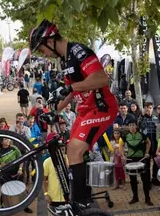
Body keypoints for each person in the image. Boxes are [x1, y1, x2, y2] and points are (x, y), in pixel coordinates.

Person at [29, 19, 118, 205]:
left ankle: (81, 202)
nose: (43, 54)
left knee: (75, 150)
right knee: (71, 152)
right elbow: (70, 92)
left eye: (42, 49)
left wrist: (71, 88)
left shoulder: (78, 51)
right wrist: (53, 110)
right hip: (85, 111)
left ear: (51, 41)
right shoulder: (64, 60)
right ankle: (81, 196)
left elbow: (101, 79)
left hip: (101, 108)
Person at [42, 135, 71, 216]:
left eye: (61, 147)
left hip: (66, 196)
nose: (60, 149)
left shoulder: (65, 158)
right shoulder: (47, 162)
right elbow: (44, 180)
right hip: (53, 196)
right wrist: (45, 194)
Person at [124, 120, 152, 205]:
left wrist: (147, 152)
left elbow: (148, 142)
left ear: (136, 126)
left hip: (141, 158)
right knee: (133, 180)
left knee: (145, 180)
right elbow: (121, 144)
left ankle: (147, 198)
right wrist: (123, 154)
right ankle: (135, 197)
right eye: (130, 125)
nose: (132, 127)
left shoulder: (141, 134)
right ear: (128, 127)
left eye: (133, 125)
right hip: (130, 159)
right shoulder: (126, 136)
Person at [139, 102, 159, 182]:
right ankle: (147, 180)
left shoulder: (155, 118)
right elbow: (141, 127)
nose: (148, 109)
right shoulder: (141, 118)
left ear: (152, 109)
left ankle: (155, 178)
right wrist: (144, 116)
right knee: (146, 162)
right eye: (146, 108)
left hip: (155, 143)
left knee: (156, 162)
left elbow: (158, 128)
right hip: (145, 144)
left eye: (150, 108)